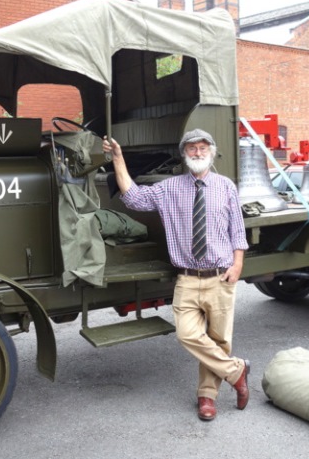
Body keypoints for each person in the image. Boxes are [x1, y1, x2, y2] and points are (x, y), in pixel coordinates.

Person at [102, 129, 250, 421]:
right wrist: (118, 159)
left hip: (221, 276)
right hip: (186, 278)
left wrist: (237, 265)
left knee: (219, 341)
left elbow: (238, 230)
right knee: (187, 334)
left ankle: (207, 397)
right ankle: (237, 371)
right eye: (191, 148)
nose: (197, 152)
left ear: (211, 151)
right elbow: (133, 198)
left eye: (202, 147)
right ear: (184, 154)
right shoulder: (169, 188)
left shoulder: (226, 186)